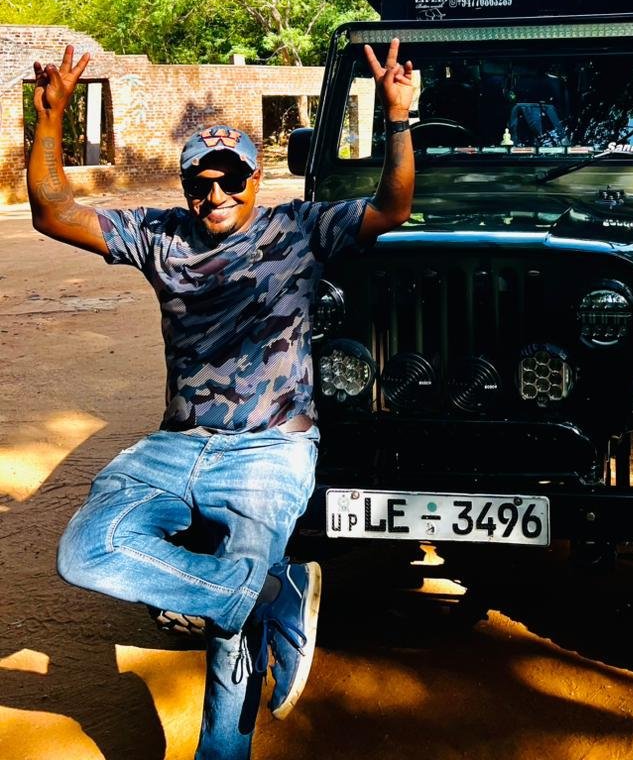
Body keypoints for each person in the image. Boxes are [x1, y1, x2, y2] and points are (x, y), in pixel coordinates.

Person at [28, 41, 415, 760]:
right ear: (183, 187)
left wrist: (398, 119)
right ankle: (273, 594)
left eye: (229, 178)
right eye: (199, 183)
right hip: (173, 448)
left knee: (225, 630)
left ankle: (221, 743)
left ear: (254, 174)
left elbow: (392, 208)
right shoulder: (160, 237)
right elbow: (53, 211)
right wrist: (49, 121)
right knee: (86, 549)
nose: (214, 195)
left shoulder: (297, 230)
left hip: (270, 449)